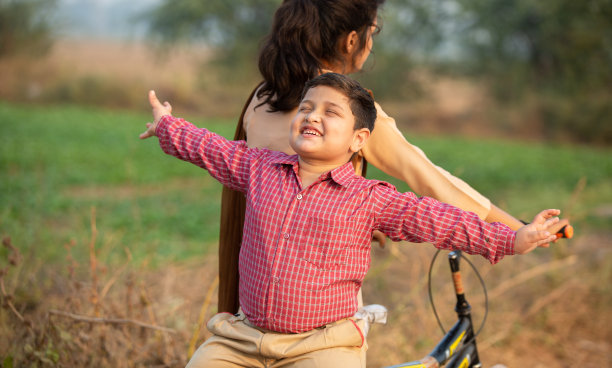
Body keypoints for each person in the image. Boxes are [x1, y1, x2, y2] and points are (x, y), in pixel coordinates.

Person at [140, 72, 568, 368]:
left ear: (359, 139)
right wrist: (166, 125)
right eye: (306, 107)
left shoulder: (370, 199)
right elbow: (208, 148)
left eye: (331, 112)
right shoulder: (258, 168)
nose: (312, 116)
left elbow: (440, 219)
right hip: (243, 337)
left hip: (323, 344)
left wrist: (513, 238)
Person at [218, 0, 526, 316]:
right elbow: (429, 178)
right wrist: (517, 228)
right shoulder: (349, 112)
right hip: (320, 308)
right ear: (352, 39)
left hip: (256, 296)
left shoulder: (262, 96)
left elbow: (279, 198)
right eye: (372, 31)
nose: (372, 42)